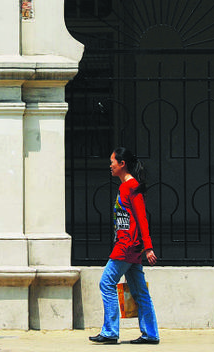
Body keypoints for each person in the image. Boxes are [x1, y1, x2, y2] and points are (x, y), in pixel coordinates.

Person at [89, 147, 160, 345]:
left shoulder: (131, 186)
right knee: (139, 291)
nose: (110, 165)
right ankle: (151, 333)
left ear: (122, 164)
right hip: (130, 245)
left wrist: (148, 246)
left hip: (127, 245)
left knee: (106, 283)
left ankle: (111, 330)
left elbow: (141, 217)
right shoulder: (125, 187)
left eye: (113, 161)